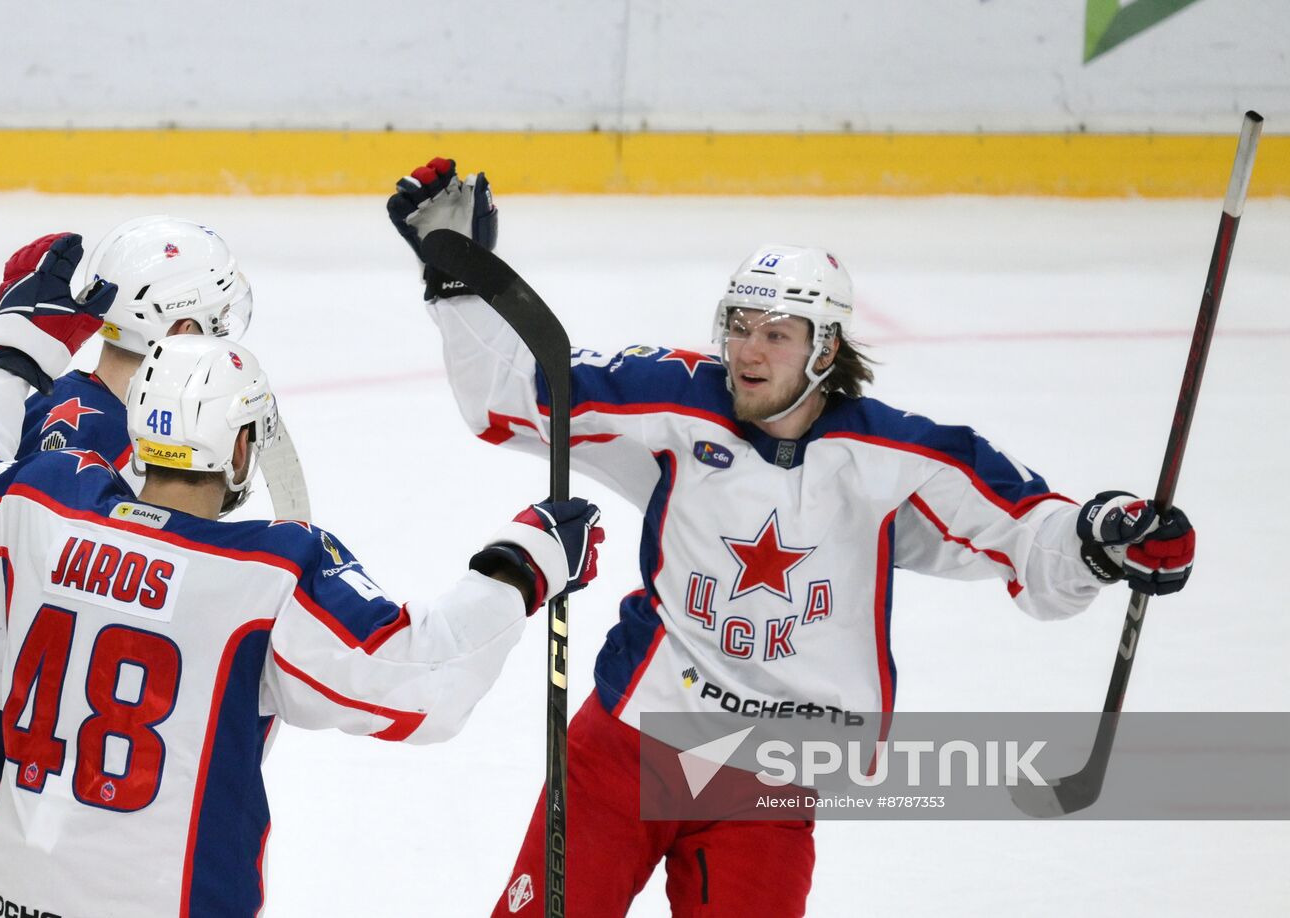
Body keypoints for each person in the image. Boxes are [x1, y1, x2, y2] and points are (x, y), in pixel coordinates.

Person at [388, 159, 1197, 917]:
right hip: (626, 749)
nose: (747, 349)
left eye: (777, 333)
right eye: (740, 325)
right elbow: (517, 399)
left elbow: (1032, 536)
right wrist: (458, 277)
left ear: (826, 350)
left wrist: (1109, 535)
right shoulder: (676, 401)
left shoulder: (898, 459)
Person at [0, 232, 605, 915]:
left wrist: (14, 353)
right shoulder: (263, 576)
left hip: (9, 874)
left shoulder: (48, 498)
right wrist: (524, 564)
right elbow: (422, 678)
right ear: (239, 447)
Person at [0, 217, 263, 866]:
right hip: (34, 758)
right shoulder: (136, 455)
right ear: (182, 328)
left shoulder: (39, 396)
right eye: (218, 315)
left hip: (5, 731)